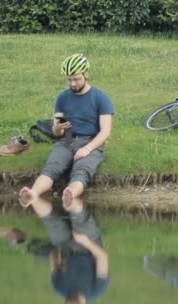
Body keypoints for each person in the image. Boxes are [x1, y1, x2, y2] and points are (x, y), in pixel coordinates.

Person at [20, 53, 114, 207]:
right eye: (69, 80)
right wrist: (57, 127)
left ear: (86, 74)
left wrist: (87, 148)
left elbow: (105, 132)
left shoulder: (101, 97)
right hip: (66, 140)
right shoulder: (62, 97)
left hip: (91, 141)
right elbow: (57, 133)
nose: (73, 84)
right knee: (51, 167)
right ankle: (33, 193)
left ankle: (70, 193)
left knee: (82, 170)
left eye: (76, 79)